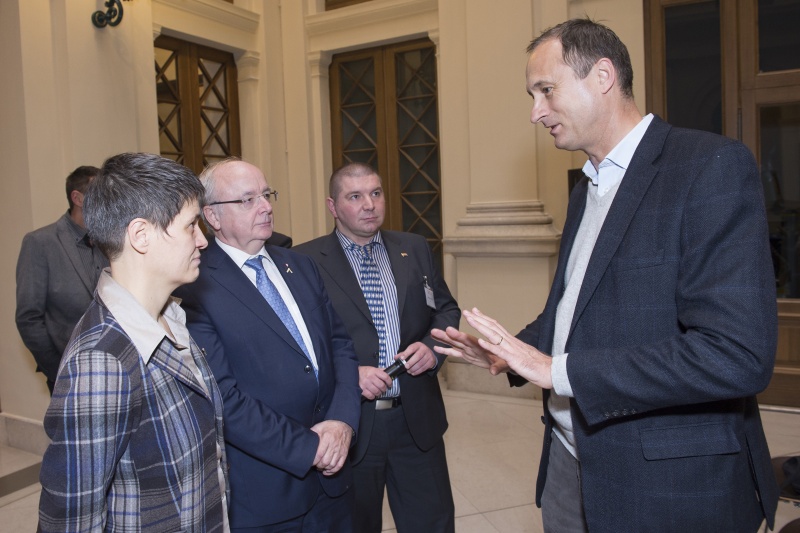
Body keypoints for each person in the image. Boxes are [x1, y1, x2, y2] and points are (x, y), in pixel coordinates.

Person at [432, 18, 779, 532]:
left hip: (666, 485)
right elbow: (573, 310)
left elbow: (736, 355)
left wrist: (558, 372)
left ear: (602, 76)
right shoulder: (585, 188)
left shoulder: (708, 167)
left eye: (546, 90)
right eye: (532, 96)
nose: (535, 112)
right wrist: (510, 354)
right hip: (570, 463)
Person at [38, 153, 229, 532]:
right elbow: (71, 519)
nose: (202, 240)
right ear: (141, 235)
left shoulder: (172, 318)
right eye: (191, 225)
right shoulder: (101, 360)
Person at [176, 157, 361, 532]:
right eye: (247, 199)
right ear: (212, 216)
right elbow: (223, 397)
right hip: (266, 493)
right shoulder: (194, 286)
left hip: (335, 481)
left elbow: (340, 346)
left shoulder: (301, 265)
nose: (265, 206)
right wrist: (310, 448)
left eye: (266, 194)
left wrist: (342, 421)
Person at [295, 162, 459, 533]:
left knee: (432, 524)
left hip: (416, 421)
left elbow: (446, 309)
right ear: (333, 206)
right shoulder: (305, 262)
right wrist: (347, 375)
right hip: (351, 425)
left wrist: (432, 347)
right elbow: (298, 343)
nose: (369, 204)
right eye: (355, 196)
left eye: (375, 193)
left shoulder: (413, 248)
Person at [15, 165, 109, 394]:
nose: (107, 201)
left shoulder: (109, 240)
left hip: (113, 367)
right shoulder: (40, 243)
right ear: (77, 198)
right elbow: (28, 318)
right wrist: (59, 371)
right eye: (100, 194)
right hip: (68, 374)